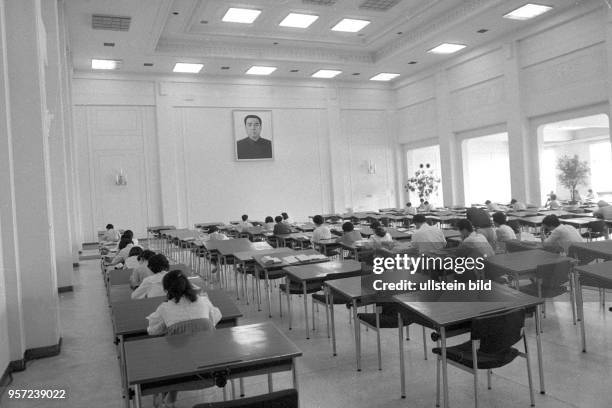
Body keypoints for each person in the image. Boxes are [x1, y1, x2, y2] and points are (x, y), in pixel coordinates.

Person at [146, 270, 222, 407]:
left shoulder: (165, 308)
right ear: (189, 285)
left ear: (167, 289)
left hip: (177, 371)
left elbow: (152, 331)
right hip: (209, 367)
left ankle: (166, 397)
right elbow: (216, 317)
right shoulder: (203, 300)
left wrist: (169, 324)